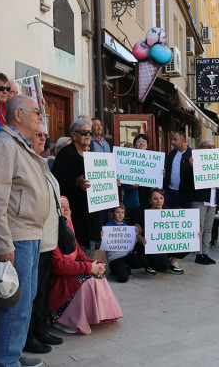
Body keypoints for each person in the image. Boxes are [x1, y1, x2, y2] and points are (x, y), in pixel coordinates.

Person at [0, 95, 49, 367]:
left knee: (26, 300)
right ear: (18, 115)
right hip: (16, 238)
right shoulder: (3, 146)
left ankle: (14, 353)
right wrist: (2, 244)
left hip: (30, 234)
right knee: (15, 304)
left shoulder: (22, 146)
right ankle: (6, 361)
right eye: (37, 113)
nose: (41, 118)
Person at [48, 204, 122, 335]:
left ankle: (93, 316)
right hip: (57, 280)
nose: (66, 209)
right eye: (61, 206)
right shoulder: (51, 236)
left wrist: (97, 263)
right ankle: (63, 319)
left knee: (98, 275)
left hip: (69, 272)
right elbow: (59, 266)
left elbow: (81, 256)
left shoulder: (68, 231)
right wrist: (89, 267)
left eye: (68, 206)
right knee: (86, 280)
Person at [24, 126, 64, 355]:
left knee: (42, 289)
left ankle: (40, 328)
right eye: (37, 135)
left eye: (44, 136)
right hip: (33, 237)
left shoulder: (42, 163)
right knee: (31, 291)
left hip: (48, 238)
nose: (42, 139)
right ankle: (28, 335)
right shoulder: (27, 162)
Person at [52, 118, 101, 258]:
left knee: (90, 252)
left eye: (90, 133)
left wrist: (109, 180)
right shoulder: (66, 154)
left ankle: (88, 276)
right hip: (75, 213)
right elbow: (56, 182)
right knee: (78, 251)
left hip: (91, 212)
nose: (88, 135)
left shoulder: (91, 154)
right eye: (84, 132)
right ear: (74, 135)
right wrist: (75, 182)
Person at [136, 188, 187, 274]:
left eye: (161, 198)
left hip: (167, 246)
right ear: (150, 201)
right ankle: (149, 264)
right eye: (155, 198)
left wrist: (194, 234)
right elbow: (135, 234)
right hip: (151, 248)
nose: (158, 201)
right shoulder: (144, 214)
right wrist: (141, 240)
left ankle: (173, 263)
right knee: (163, 266)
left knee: (191, 240)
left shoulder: (169, 213)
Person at [101, 205, 149, 282]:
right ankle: (115, 269)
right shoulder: (107, 227)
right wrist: (102, 236)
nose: (120, 214)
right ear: (112, 214)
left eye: (122, 212)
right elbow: (104, 243)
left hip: (126, 255)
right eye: (118, 212)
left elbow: (131, 241)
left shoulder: (126, 227)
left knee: (144, 262)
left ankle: (125, 267)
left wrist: (136, 236)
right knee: (123, 278)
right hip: (115, 258)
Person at [190, 139, 218, 265]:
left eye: (213, 146)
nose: (212, 149)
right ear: (202, 148)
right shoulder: (193, 161)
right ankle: (198, 254)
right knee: (198, 228)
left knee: (208, 228)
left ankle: (205, 253)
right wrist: (192, 167)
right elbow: (187, 180)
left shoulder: (217, 162)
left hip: (212, 200)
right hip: (200, 199)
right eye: (209, 147)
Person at [122, 133, 152, 224]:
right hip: (135, 200)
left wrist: (162, 174)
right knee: (136, 225)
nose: (141, 143)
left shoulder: (153, 159)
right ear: (135, 145)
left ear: (147, 145)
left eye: (143, 141)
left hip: (149, 198)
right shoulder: (128, 159)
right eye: (138, 142)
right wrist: (131, 186)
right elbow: (123, 181)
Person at [163, 131, 194, 209]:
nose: (172, 142)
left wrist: (192, 166)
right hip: (170, 192)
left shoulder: (192, 154)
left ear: (182, 140)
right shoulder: (171, 154)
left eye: (175, 139)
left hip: (185, 193)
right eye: (172, 139)